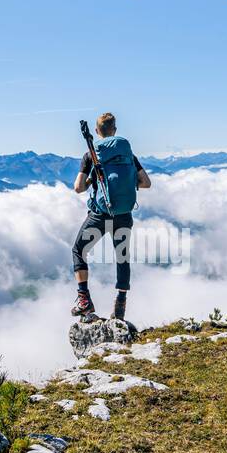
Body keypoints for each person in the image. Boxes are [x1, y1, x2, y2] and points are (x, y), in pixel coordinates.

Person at [71, 112, 151, 319]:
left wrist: (92, 180)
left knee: (79, 251)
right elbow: (146, 183)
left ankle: (84, 299)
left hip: (99, 216)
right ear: (115, 131)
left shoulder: (91, 155)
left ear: (97, 132)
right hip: (123, 215)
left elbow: (78, 188)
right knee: (122, 256)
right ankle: (121, 302)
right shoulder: (128, 156)